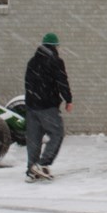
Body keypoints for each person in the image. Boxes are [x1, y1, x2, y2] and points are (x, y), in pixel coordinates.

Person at [23, 32, 73, 182]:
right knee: (57, 133)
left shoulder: (32, 61)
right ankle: (42, 163)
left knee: (34, 139)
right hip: (47, 106)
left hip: (32, 106)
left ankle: (32, 170)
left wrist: (32, 100)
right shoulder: (55, 61)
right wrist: (68, 100)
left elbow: (27, 83)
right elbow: (62, 81)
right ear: (55, 46)